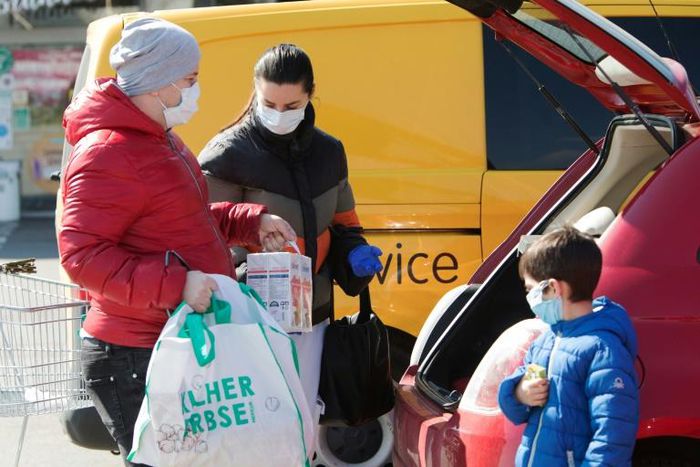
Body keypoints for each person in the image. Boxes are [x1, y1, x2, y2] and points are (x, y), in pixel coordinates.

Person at [58, 19, 295, 466]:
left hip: (169, 338)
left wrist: (250, 222)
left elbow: (185, 220)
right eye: (190, 79)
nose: (196, 90)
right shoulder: (109, 150)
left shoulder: (157, 139)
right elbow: (82, 255)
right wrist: (175, 285)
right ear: (158, 82)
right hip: (134, 352)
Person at [197, 43, 383, 439]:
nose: (278, 115)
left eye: (290, 105)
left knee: (303, 418)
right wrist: (246, 268)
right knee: (258, 427)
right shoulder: (227, 152)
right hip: (247, 320)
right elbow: (199, 234)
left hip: (313, 315)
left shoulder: (330, 152)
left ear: (310, 94)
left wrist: (355, 256)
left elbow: (345, 224)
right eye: (269, 103)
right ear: (255, 90)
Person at [498, 226, 639, 466]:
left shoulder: (602, 350)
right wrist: (520, 393)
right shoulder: (546, 340)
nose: (529, 299)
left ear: (553, 288)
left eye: (532, 290)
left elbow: (612, 436)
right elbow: (517, 403)